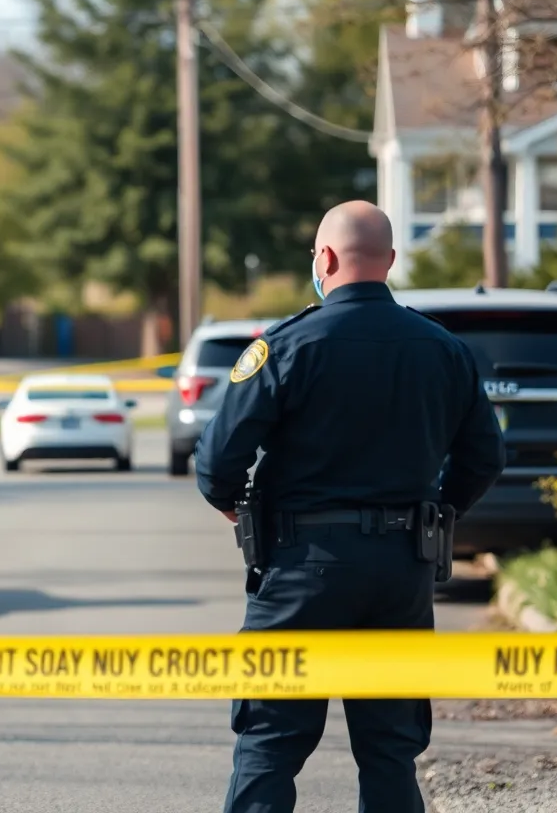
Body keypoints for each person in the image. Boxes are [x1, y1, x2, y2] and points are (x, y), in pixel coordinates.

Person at [193, 200, 506, 813]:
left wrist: (236, 507)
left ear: (325, 259)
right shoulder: (444, 351)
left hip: (298, 570)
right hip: (401, 571)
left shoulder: (284, 346)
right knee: (390, 749)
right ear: (389, 261)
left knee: (270, 744)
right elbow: (485, 459)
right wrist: (438, 513)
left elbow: (216, 462)